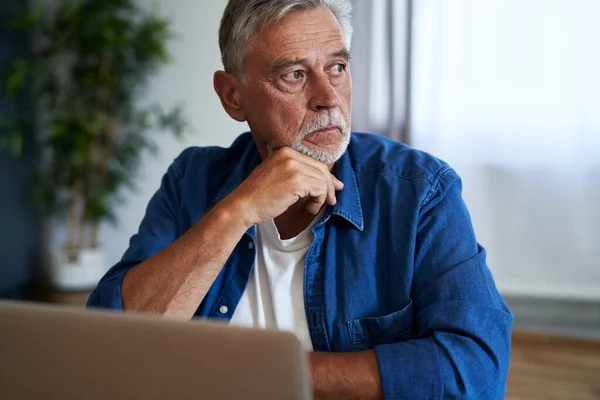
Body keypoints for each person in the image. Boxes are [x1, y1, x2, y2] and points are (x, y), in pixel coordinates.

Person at [87, 0, 513, 398]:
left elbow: (475, 370)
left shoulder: (420, 189)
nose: (328, 97)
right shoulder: (192, 180)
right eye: (294, 74)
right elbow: (110, 347)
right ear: (232, 96)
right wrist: (237, 211)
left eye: (338, 67)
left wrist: (269, 374)